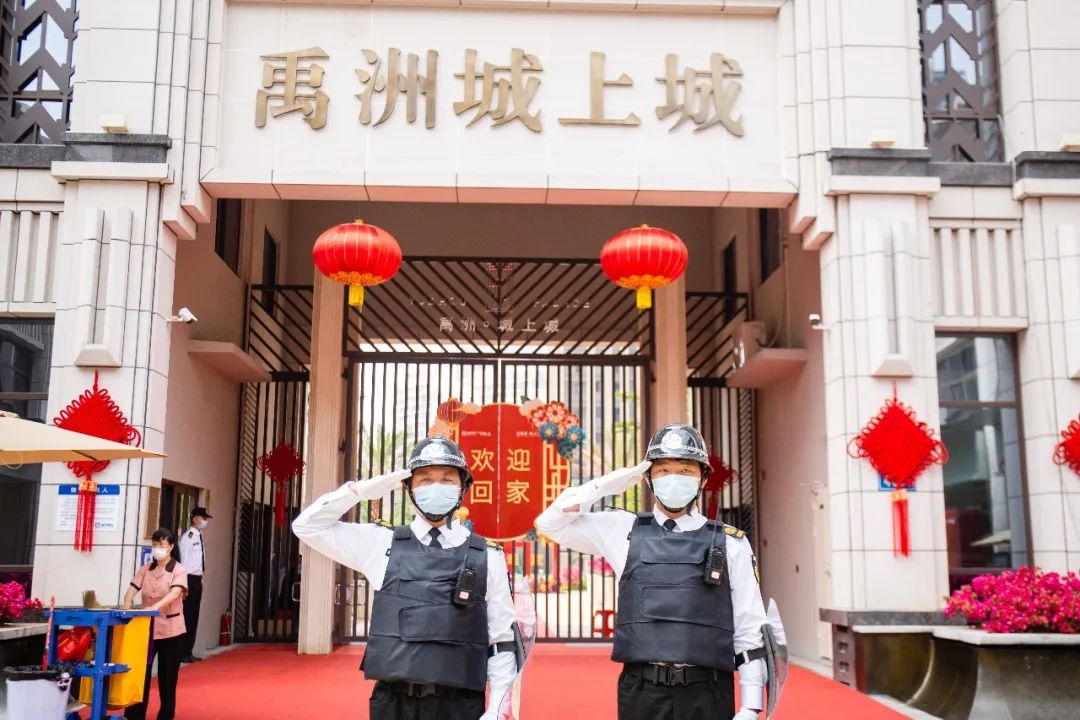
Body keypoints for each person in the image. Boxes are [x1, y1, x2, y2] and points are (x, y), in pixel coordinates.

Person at [535, 423, 770, 720]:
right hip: (642, 691)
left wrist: (750, 707)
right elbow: (549, 524)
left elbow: (750, 628)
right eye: (663, 470)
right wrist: (610, 484)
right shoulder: (621, 530)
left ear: (702, 478)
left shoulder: (731, 543)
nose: (674, 479)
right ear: (648, 478)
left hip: (708, 691)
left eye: (685, 470)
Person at [292, 436, 519, 720]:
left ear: (463, 487)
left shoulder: (487, 555)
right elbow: (307, 527)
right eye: (425, 479)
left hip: (460, 705)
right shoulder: (379, 542)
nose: (436, 487)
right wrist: (357, 491)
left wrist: (497, 709)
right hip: (394, 704)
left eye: (447, 479)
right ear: (409, 487)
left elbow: (501, 640)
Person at [123, 527, 188, 720]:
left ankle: (166, 715)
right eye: (154, 544)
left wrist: (153, 608)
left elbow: (175, 593)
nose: (157, 548)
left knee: (167, 678)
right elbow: (131, 590)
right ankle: (134, 715)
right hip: (146, 629)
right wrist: (126, 607)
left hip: (171, 630)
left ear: (171, 546)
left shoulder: (178, 569)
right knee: (140, 673)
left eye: (161, 544)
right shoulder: (146, 569)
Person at [177, 506, 211, 663]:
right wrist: (183, 584)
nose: (205, 521)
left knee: (194, 616)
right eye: (204, 518)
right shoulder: (188, 537)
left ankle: (188, 650)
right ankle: (182, 651)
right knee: (187, 616)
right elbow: (183, 561)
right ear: (196, 519)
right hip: (189, 579)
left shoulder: (199, 536)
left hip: (197, 579)